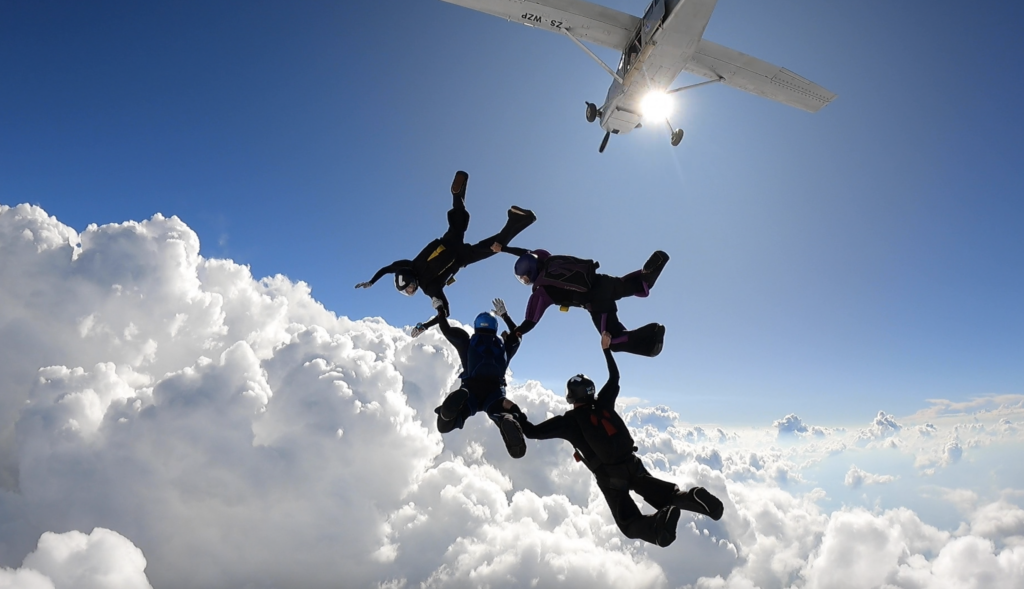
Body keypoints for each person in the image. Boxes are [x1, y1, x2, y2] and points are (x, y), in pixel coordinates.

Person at [517, 332, 724, 546]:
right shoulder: (604, 402)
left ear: (571, 397)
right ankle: (694, 498)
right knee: (666, 496)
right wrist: (606, 351)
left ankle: (659, 525)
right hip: (633, 464)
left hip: (610, 476)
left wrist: (513, 411)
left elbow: (531, 431)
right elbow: (615, 377)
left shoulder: (569, 421)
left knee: (629, 523)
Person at [356, 171, 536, 332]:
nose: (411, 291)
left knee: (497, 245)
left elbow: (445, 313)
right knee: (459, 212)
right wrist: (372, 282)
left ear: (411, 281)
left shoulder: (429, 287)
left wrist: (425, 326)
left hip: (461, 257)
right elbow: (387, 268)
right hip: (448, 240)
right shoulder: (406, 265)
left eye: (409, 288)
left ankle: (518, 219)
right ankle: (459, 194)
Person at [496, 244, 669, 356]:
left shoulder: (541, 291)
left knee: (613, 341)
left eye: (525, 278)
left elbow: (530, 322)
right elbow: (526, 253)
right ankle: (648, 274)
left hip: (595, 302)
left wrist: (514, 331)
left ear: (531, 271)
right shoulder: (547, 259)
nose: (526, 281)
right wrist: (503, 248)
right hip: (601, 280)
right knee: (633, 285)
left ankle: (651, 338)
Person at [432, 298, 528, 458]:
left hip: (471, 391)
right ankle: (507, 417)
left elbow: (446, 329)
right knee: (501, 412)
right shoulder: (504, 346)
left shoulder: (467, 342)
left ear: (476, 326)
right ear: (495, 328)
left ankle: (449, 410)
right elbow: (518, 334)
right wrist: (504, 315)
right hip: (495, 393)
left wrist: (440, 310)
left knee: (444, 426)